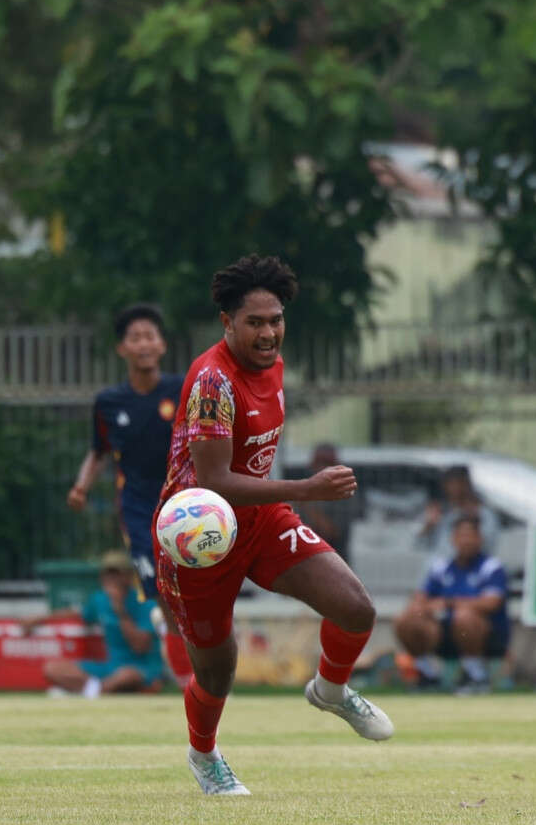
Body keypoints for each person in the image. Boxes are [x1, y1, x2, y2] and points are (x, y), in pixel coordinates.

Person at [152, 254, 393, 797]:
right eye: (254, 322)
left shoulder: (274, 365)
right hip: (200, 539)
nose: (268, 333)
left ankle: (331, 690)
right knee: (218, 670)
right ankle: (204, 754)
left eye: (276, 320)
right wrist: (308, 488)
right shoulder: (213, 381)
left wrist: (290, 498)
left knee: (356, 608)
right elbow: (213, 481)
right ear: (227, 323)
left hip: (260, 521)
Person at [67, 303, 183, 585]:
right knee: (156, 581)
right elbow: (98, 452)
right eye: (135, 337)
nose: (143, 344)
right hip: (137, 507)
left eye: (149, 336)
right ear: (122, 348)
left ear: (162, 345)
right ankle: (169, 630)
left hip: (183, 499)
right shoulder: (108, 403)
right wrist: (81, 488)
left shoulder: (183, 389)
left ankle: (192, 630)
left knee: (188, 580)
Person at [394, 514, 511, 691]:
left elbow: (491, 603)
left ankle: (475, 675)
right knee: (407, 617)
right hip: (443, 633)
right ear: (453, 539)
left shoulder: (491, 567)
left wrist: (448, 603)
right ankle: (427, 674)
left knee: (464, 616)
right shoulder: (440, 567)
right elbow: (421, 597)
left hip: (485, 635)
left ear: (480, 539)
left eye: (470, 536)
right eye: (461, 536)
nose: (466, 541)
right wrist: (425, 607)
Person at [41, 552, 171, 697]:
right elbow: (78, 613)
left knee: (128, 675)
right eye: (107, 574)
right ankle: (96, 690)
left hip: (142, 669)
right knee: (52, 668)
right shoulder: (100, 599)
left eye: (116, 574)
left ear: (128, 577)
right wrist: (37, 619)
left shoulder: (145, 602)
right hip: (110, 668)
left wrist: (119, 609)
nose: (111, 579)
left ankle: (88, 691)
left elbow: (140, 646)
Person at [297, 441, 364, 559]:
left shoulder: (345, 491)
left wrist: (304, 501)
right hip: (304, 560)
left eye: (327, 462)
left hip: (335, 560)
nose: (322, 467)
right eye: (318, 462)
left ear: (336, 464)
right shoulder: (302, 489)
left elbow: (332, 532)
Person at [417, 464, 501, 553]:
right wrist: (428, 526)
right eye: (450, 483)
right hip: (438, 565)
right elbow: (419, 547)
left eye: (458, 483)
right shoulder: (439, 512)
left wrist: (472, 527)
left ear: (467, 485)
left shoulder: (485, 515)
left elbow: (488, 547)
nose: (455, 488)